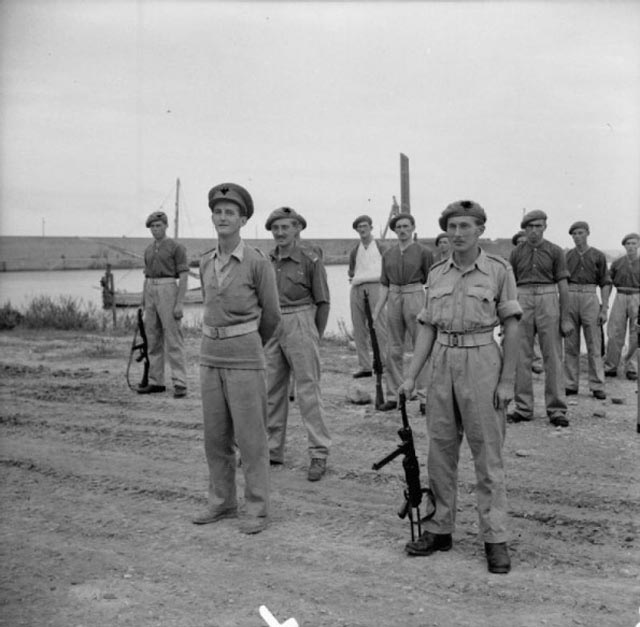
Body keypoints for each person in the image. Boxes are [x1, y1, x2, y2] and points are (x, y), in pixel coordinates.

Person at [401, 200, 521, 575]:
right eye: (451, 227)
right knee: (440, 450)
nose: (457, 234)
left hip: (483, 360)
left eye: (465, 226)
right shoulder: (437, 272)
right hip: (441, 363)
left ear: (480, 230)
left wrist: (506, 381)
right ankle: (439, 529)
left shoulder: (499, 270)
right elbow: (427, 327)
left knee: (488, 455)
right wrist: (411, 375)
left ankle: (495, 538)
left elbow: (513, 327)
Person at [192, 183, 281, 535]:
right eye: (218, 211)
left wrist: (249, 343)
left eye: (231, 212)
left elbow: (272, 314)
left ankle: (257, 508)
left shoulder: (258, 262)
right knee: (215, 437)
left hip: (245, 357)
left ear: (243, 220)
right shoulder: (204, 262)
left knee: (251, 438)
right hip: (209, 356)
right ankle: (222, 501)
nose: (223, 217)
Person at [264, 207, 332, 481]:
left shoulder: (310, 259)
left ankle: (318, 452)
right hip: (272, 323)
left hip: (302, 320)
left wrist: (314, 334)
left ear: (297, 230)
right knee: (271, 390)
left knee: (308, 391)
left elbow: (323, 301)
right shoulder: (266, 260)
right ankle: (271, 449)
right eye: (275, 228)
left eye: (286, 227)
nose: (280, 233)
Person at [507, 210, 572, 427]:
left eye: (538, 226)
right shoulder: (516, 253)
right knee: (521, 355)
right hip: (522, 297)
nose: (534, 231)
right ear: (524, 229)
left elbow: (563, 286)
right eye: (530, 227)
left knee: (552, 354)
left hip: (548, 297)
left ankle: (557, 409)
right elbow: (509, 285)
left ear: (545, 227)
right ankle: (523, 407)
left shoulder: (555, 251)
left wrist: (565, 318)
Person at [372, 213, 433, 413]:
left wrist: (429, 306)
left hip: (415, 294)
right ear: (394, 230)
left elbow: (431, 282)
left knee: (421, 346)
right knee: (393, 348)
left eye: (406, 226)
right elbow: (384, 284)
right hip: (394, 296)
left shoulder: (423, 252)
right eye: (398, 227)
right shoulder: (388, 254)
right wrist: (377, 311)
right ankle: (395, 395)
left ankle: (425, 397)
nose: (402, 230)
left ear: (413, 227)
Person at [138, 211, 189, 398]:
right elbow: (146, 276)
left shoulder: (177, 247)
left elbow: (183, 277)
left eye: (158, 225)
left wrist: (179, 303)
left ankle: (180, 382)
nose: (155, 229)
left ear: (166, 226)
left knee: (173, 338)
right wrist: (144, 302)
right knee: (152, 338)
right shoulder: (148, 250)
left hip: (168, 288)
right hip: (150, 288)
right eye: (152, 226)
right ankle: (156, 381)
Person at [564, 221, 612, 399]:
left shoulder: (598, 255)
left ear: (587, 233)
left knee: (594, 342)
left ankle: (597, 384)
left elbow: (605, 283)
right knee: (570, 343)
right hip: (570, 295)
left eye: (580, 233)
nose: (577, 236)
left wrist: (604, 308)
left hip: (590, 295)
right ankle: (570, 383)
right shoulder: (567, 256)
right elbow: (561, 282)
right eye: (574, 233)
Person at [347, 214, 390, 384]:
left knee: (379, 325)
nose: (362, 229)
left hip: (376, 286)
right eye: (359, 227)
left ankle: (383, 363)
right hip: (357, 287)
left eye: (365, 226)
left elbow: (388, 266)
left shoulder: (380, 246)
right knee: (358, 327)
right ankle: (364, 366)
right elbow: (351, 270)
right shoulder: (355, 250)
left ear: (371, 227)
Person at [604, 233, 640, 381]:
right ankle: (611, 366)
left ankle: (632, 367)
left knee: (636, 333)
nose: (630, 246)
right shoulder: (617, 263)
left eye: (633, 243)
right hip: (620, 296)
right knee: (614, 331)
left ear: (638, 245)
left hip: (637, 296)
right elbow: (608, 283)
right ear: (624, 246)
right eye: (627, 244)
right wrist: (605, 303)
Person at [511, 230, 543, 375]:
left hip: (536, 296)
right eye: (518, 243)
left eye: (524, 242)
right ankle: (512, 360)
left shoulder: (538, 260)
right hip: (517, 293)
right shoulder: (513, 259)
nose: (521, 245)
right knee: (514, 328)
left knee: (534, 329)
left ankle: (536, 360)